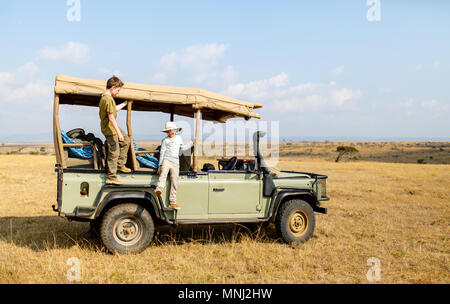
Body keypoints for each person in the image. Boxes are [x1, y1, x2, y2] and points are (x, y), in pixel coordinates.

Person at [99, 75, 132, 185]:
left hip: (112, 126)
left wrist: (124, 103)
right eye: (117, 90)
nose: (118, 93)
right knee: (114, 152)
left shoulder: (108, 99)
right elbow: (111, 117)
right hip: (110, 128)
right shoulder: (107, 99)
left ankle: (120, 164)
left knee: (126, 140)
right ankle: (111, 176)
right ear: (112, 88)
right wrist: (118, 133)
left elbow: (114, 110)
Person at [155, 121, 193, 210]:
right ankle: (159, 189)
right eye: (168, 131)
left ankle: (172, 202)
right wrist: (160, 165)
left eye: (171, 131)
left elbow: (183, 148)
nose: (170, 133)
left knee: (174, 181)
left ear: (175, 130)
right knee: (163, 175)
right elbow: (162, 152)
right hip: (166, 160)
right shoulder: (165, 140)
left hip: (175, 162)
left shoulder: (179, 138)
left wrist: (191, 143)